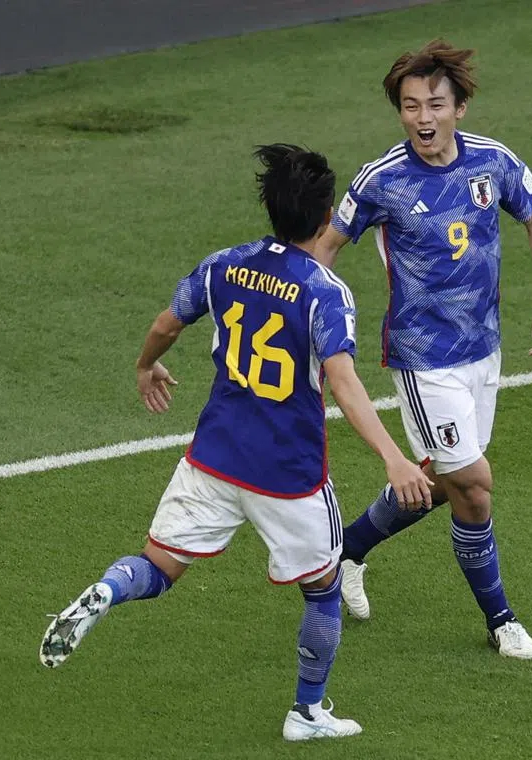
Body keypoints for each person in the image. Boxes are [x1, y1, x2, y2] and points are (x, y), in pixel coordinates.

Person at [39, 144, 433, 741]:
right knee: (324, 591)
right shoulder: (325, 292)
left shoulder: (224, 264)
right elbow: (345, 382)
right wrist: (393, 456)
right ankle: (307, 713)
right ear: (326, 218)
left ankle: (105, 590)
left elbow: (168, 322)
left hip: (213, 459)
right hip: (289, 476)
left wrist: (147, 365)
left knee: (158, 566)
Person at [315, 40, 532, 660]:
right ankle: (501, 620)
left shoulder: (492, 162)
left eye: (435, 104)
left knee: (442, 480)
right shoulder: (382, 180)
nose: (423, 118)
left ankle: (347, 552)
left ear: (460, 107)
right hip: (424, 359)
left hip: (484, 351)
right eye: (409, 106)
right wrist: (314, 327)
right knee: (474, 484)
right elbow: (324, 249)